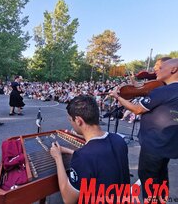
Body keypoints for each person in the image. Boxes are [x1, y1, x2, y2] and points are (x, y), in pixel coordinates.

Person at [110, 57, 178, 203]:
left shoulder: (163, 91)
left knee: (149, 180)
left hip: (155, 144)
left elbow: (137, 109)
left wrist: (117, 97)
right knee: (161, 176)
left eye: (161, 67)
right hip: (168, 144)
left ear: (173, 70)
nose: (157, 71)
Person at [50, 95, 130, 204]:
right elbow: (102, 161)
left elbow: (68, 199)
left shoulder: (83, 157)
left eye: (70, 120)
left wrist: (58, 157)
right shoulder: (118, 140)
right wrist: (72, 152)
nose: (71, 123)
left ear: (78, 121)